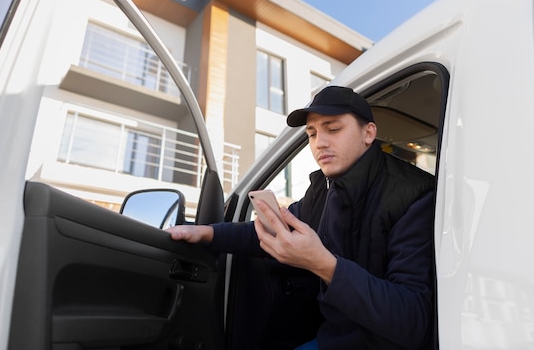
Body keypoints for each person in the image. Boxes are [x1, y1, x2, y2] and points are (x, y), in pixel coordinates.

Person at [168, 86, 436, 350]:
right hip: (334, 337)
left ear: (369, 133)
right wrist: (207, 233)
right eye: (312, 133)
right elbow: (271, 229)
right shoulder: (324, 187)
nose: (320, 142)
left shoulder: (414, 195)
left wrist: (323, 264)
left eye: (333, 129)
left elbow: (412, 320)